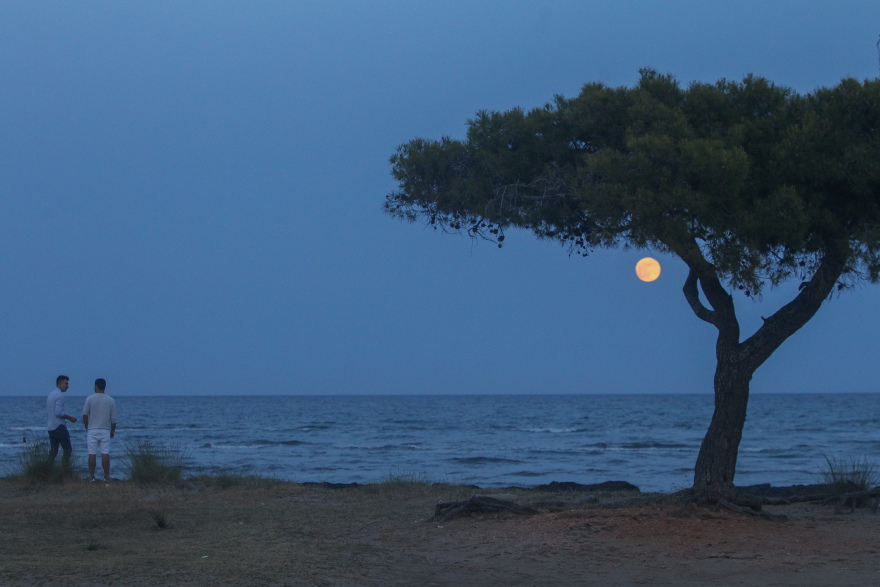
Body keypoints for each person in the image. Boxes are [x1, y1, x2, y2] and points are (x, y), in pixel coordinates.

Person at [82, 378, 117, 483]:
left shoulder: (90, 398)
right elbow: (114, 419)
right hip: (105, 429)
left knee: (92, 453)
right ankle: (107, 476)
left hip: (92, 429)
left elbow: (85, 415)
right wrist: (112, 431)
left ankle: (91, 476)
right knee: (105, 453)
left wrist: (87, 426)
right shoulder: (110, 400)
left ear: (96, 386)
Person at [47, 375, 77, 468]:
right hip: (59, 426)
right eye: (66, 383)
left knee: (53, 451)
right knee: (67, 449)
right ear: (60, 384)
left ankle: (48, 469)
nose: (67, 386)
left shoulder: (51, 394)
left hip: (51, 427)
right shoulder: (59, 396)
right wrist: (69, 417)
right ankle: (65, 470)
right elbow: (58, 413)